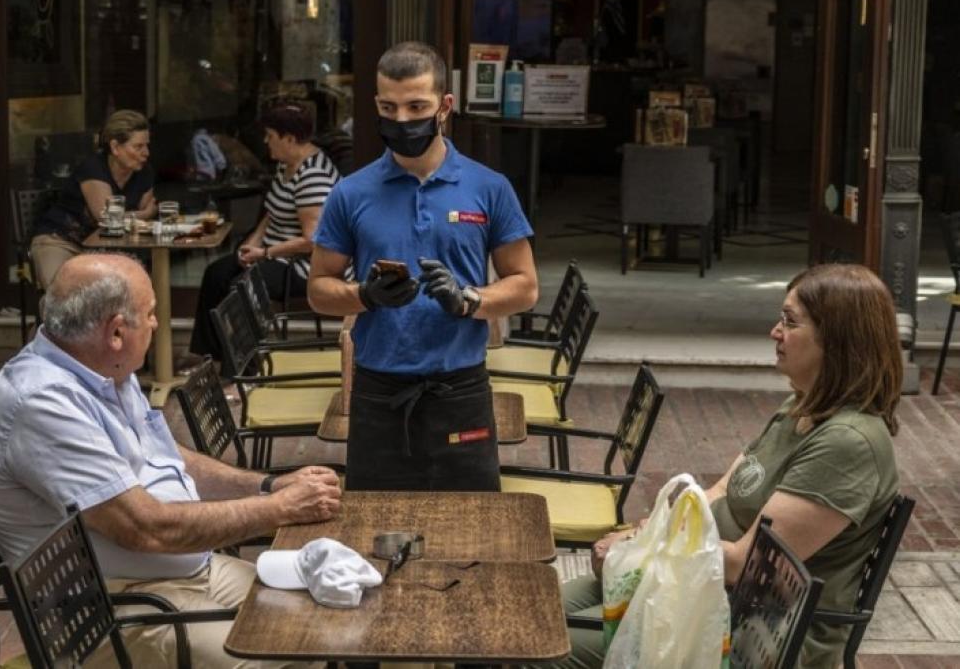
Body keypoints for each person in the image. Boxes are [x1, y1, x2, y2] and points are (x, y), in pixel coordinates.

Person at [0, 253, 340, 669]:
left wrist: (266, 487)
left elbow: (168, 457)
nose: (158, 324)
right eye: (151, 314)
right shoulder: (41, 402)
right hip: (111, 610)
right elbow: (146, 529)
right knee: (284, 655)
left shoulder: (104, 370)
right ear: (117, 332)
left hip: (183, 575)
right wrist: (279, 510)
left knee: (321, 615)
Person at [535, 263, 901, 669]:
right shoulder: (799, 406)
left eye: (790, 322)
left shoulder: (847, 445)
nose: (774, 332)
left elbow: (749, 566)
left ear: (836, 341)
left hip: (750, 628)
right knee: (535, 604)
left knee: (538, 640)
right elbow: (723, 491)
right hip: (696, 587)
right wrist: (643, 537)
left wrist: (645, 553)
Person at [307, 41, 538, 491]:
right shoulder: (350, 193)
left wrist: (470, 299)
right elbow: (318, 289)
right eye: (389, 108)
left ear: (444, 106)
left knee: (471, 532)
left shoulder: (488, 188)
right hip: (377, 391)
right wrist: (364, 296)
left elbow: (526, 286)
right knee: (372, 532)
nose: (403, 120)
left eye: (417, 106)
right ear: (376, 105)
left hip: (460, 389)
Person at [189, 102, 341, 362]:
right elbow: (270, 214)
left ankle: (245, 370)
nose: (265, 141)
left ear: (290, 138)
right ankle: (210, 356)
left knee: (242, 288)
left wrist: (265, 253)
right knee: (216, 273)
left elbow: (312, 241)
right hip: (272, 252)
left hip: (302, 264)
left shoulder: (313, 175)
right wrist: (249, 247)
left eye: (270, 135)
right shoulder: (286, 165)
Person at [30, 109, 158, 288]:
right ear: (115, 147)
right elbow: (106, 218)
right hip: (62, 241)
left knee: (130, 291)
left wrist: (141, 215)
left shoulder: (144, 172)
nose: (146, 153)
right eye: (138, 146)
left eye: (147, 145)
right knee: (61, 294)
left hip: (104, 249)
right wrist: (142, 214)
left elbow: (144, 219)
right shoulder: (94, 168)